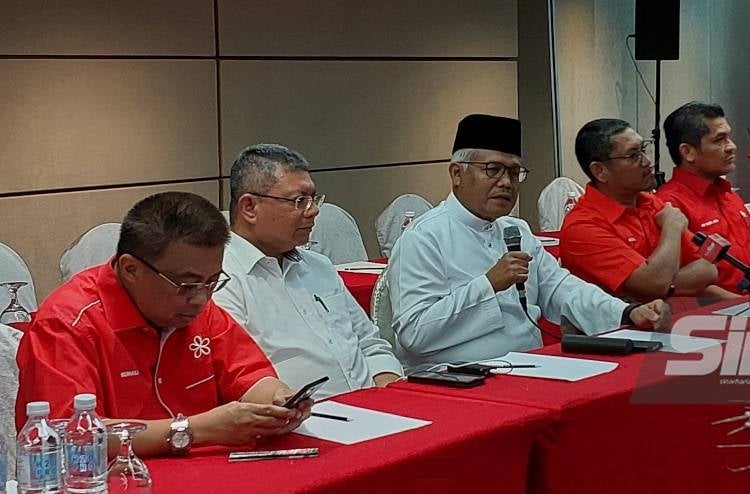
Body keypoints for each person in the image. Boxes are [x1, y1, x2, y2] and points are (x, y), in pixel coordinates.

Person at [16, 192, 310, 457]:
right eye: (186, 285)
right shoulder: (65, 324)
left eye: (212, 282)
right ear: (131, 269)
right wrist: (195, 430)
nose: (200, 299)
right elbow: (70, 436)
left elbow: (249, 375)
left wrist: (278, 402)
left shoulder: (197, 308)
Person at [387, 114, 667, 371]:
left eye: (514, 172)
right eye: (493, 170)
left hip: (528, 368)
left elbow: (562, 288)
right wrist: (488, 285)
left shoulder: (515, 230)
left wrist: (627, 311)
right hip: (455, 377)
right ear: (457, 174)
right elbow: (414, 334)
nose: (506, 183)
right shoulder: (424, 238)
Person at [214, 144, 402, 399]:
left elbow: (371, 344)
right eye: (299, 201)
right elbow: (237, 377)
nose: (313, 211)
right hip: (301, 416)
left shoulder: (319, 266)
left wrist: (390, 391)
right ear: (249, 207)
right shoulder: (219, 279)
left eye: (314, 199)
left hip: (373, 405)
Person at [559, 118, 726, 302]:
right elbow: (655, 283)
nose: (647, 161)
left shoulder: (649, 203)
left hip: (669, 313)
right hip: (615, 321)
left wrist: (659, 288)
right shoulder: (582, 227)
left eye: (643, 149)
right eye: (633, 155)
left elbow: (708, 268)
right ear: (600, 171)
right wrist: (671, 228)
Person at [657, 102, 750, 292]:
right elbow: (688, 286)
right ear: (688, 152)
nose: (732, 147)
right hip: (727, 308)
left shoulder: (729, 194)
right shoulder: (670, 206)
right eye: (719, 140)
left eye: (728, 137)